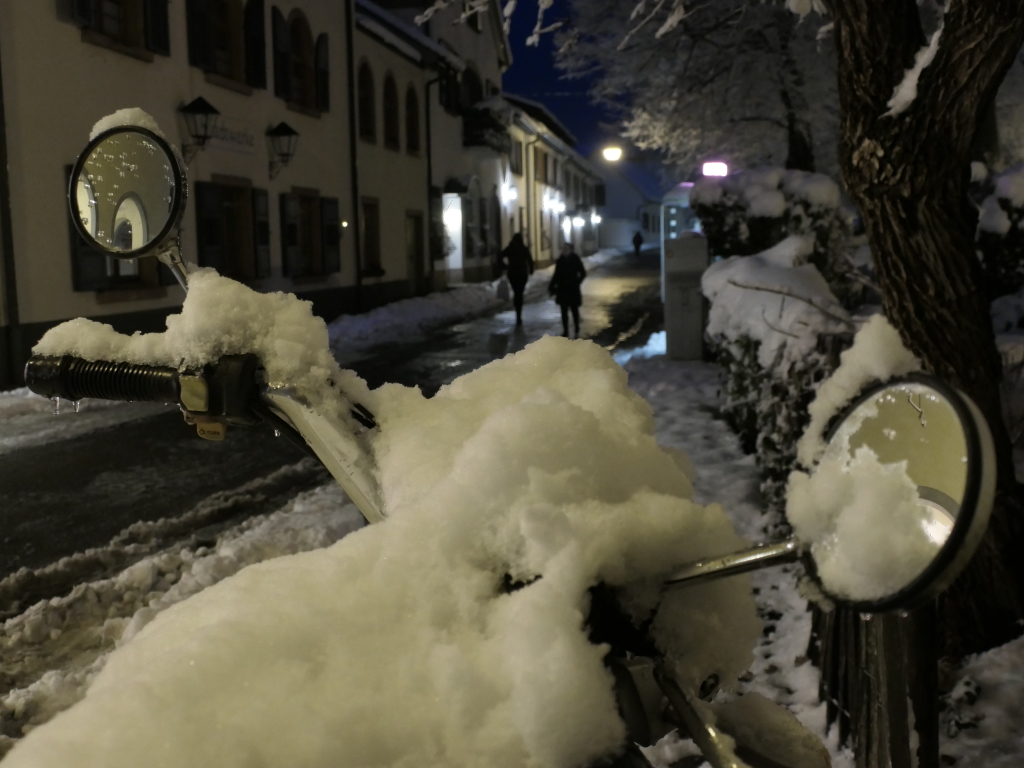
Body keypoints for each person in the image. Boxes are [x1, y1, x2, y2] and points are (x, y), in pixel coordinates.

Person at [549, 242, 587, 339]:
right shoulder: (560, 260)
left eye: (566, 249)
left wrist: (577, 282)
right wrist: (552, 286)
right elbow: (556, 275)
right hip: (562, 289)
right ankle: (565, 330)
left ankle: (576, 327)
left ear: (570, 250)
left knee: (574, 310)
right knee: (563, 311)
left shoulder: (575, 259)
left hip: (572, 288)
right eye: (563, 248)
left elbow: (583, 273)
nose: (564, 250)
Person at [499, 233, 534, 326]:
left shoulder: (510, 248)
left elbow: (500, 256)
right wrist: (531, 270)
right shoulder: (524, 249)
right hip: (522, 273)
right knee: (520, 292)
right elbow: (530, 260)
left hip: (512, 273)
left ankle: (517, 313)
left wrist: (504, 266)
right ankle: (519, 314)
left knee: (516, 292)